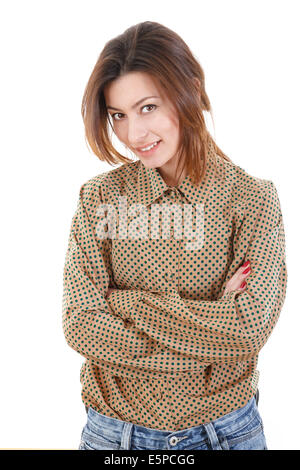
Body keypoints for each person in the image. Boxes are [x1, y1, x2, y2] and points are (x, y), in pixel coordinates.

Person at [62, 21, 287, 451]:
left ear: (191, 90)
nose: (134, 135)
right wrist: (211, 320)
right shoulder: (99, 198)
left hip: (224, 433)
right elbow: (81, 326)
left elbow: (247, 330)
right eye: (118, 116)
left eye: (148, 107)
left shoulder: (251, 200)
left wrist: (123, 304)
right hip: (114, 435)